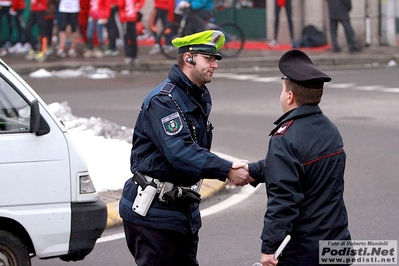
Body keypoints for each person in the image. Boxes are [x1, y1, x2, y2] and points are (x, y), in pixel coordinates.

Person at [119, 30, 253, 266]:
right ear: (189, 58)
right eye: (208, 59)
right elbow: (180, 152)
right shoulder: (165, 100)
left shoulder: (195, 95)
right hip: (155, 215)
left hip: (180, 209)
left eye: (215, 59)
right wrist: (227, 169)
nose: (215, 65)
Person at [235, 50, 351, 266]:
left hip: (304, 251)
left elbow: (283, 199)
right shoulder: (329, 129)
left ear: (290, 96)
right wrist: (254, 170)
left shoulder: (285, 138)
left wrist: (270, 248)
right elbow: (302, 168)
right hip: (338, 243)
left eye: (282, 90)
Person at [117, 0, 145, 64]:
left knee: (133, 37)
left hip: (131, 18)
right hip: (125, 19)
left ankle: (134, 55)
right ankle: (129, 55)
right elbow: (120, 4)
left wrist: (137, 7)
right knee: (126, 37)